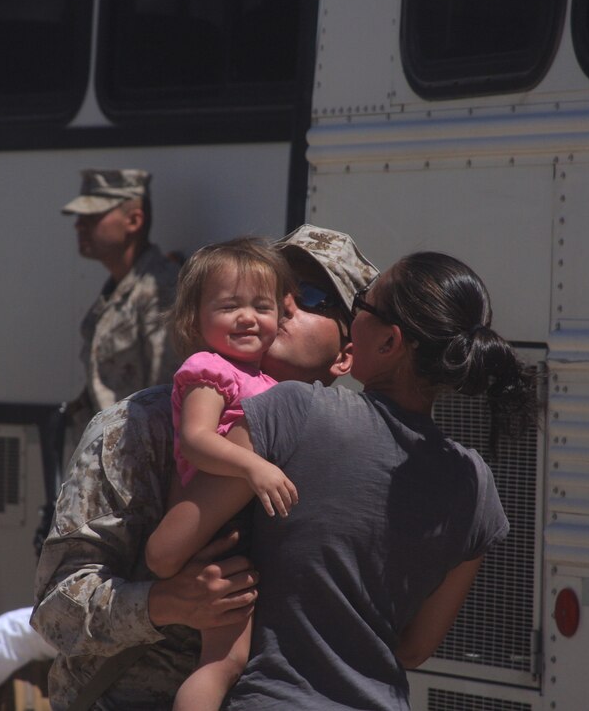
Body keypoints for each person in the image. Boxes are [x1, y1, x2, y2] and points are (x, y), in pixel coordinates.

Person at [159, 250, 539, 710]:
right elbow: (415, 649)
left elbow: (166, 550)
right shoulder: (476, 486)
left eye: (362, 305)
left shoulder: (297, 413)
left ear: (388, 343)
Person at [31, 225, 378, 710]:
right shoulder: (138, 428)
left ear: (346, 354)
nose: (283, 306)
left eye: (312, 296)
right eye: (277, 289)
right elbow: (55, 611)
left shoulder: (353, 451)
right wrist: (168, 602)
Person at [143, 237, 297, 711]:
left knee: (238, 659)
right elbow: (196, 439)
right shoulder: (209, 369)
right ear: (194, 319)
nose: (248, 317)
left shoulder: (269, 380)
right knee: (220, 663)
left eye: (261, 306)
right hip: (215, 528)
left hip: (247, 526)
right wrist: (255, 467)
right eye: (230, 306)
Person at [60, 168, 181, 461]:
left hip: (136, 460)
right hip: (108, 455)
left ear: (134, 221)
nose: (79, 226)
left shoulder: (159, 289)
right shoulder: (117, 289)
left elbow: (166, 395)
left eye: (92, 217)